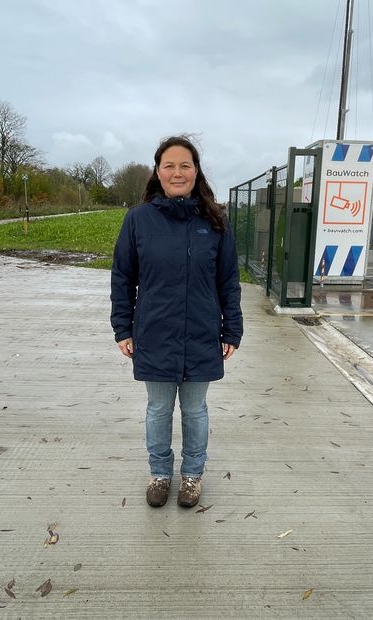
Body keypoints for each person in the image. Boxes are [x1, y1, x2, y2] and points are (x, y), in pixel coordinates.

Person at [110, 136, 243, 508]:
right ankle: (160, 474)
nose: (177, 172)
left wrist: (231, 328)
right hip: (154, 331)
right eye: (169, 165)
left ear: (196, 170)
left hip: (202, 332)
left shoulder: (214, 220)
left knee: (196, 410)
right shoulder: (138, 219)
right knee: (158, 409)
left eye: (185, 165)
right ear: (157, 171)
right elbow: (122, 276)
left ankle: (192, 476)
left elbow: (228, 279)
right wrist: (123, 327)